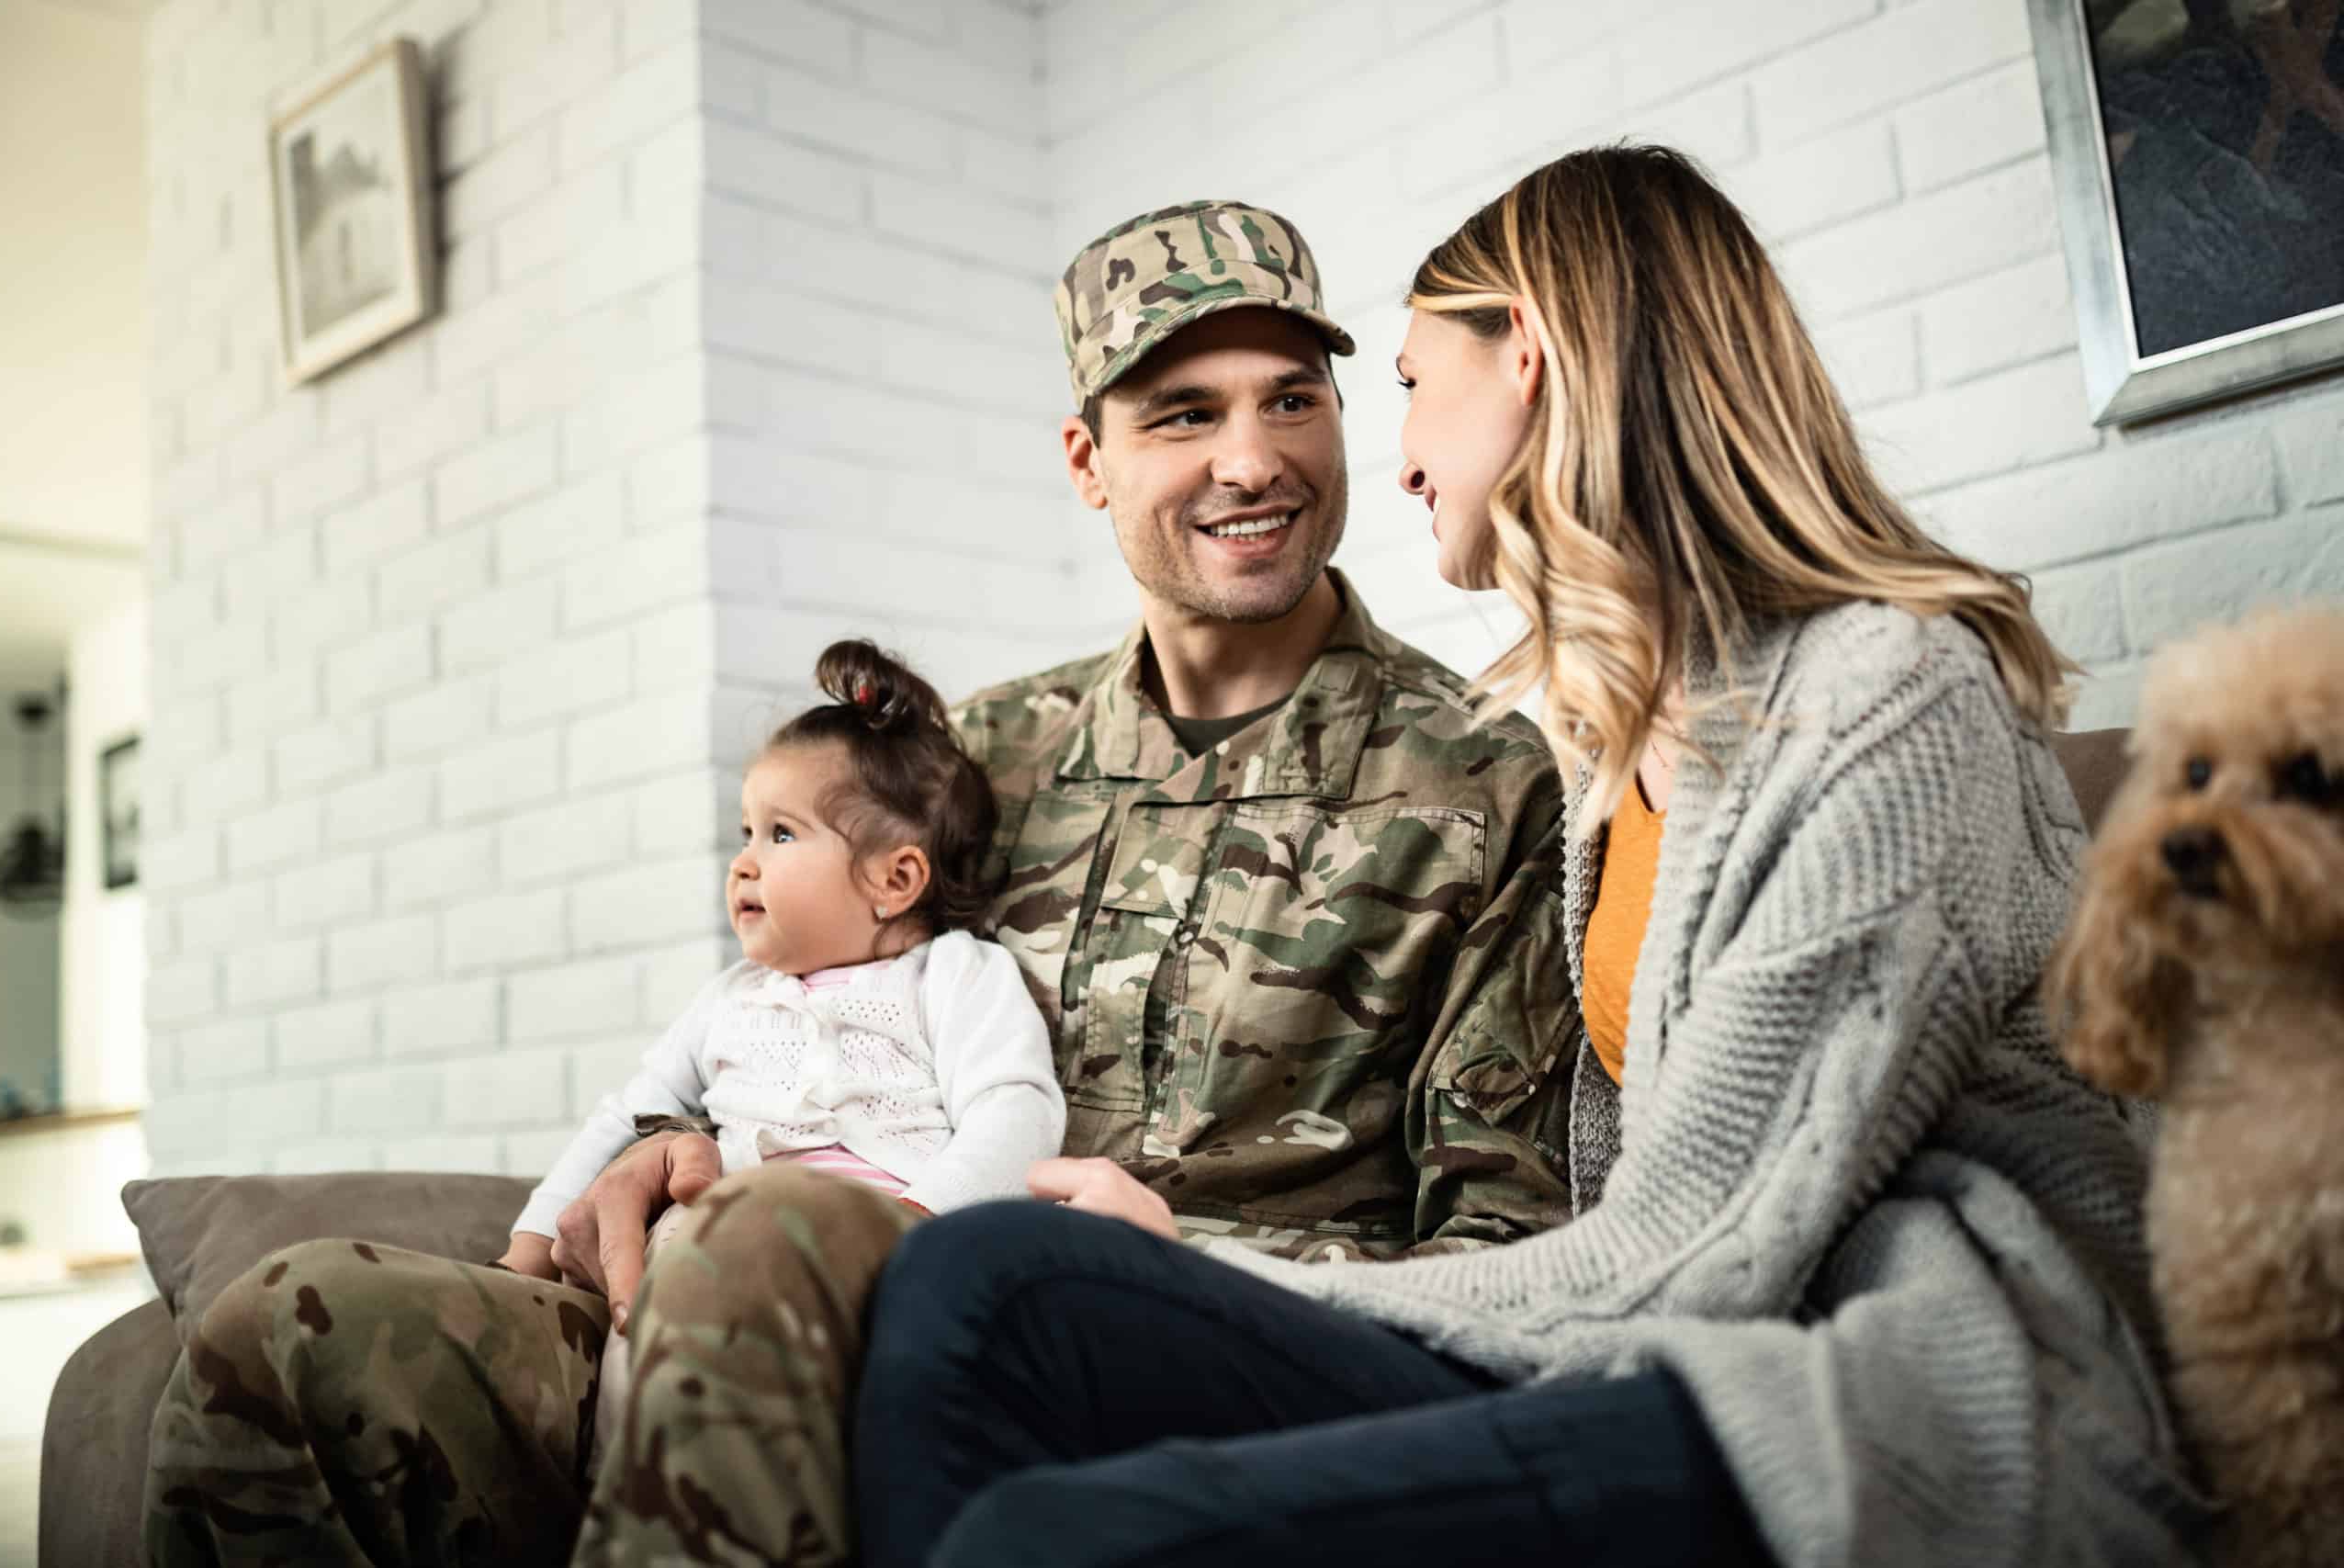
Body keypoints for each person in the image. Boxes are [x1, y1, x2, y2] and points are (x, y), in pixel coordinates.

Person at [142, 199, 1574, 1568]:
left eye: (1291, 397)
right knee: (294, 1324)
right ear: (1088, 460)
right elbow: (781, 1003)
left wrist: (1156, 1250)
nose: (1253, 459)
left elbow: (1507, 1261)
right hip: (768, 1291)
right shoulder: (976, 755)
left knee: (767, 1237)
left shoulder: (1483, 782)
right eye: (1184, 414)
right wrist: (659, 1137)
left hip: (1148, 1347)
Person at [845, 146, 2212, 1568]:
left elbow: (1703, 1243)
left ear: (1537, 364)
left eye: (1412, 386)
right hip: (1674, 1351)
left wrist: (1185, 1263)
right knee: (982, 1278)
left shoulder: (1885, 699)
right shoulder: (1625, 746)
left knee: (1044, 1530)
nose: (1404, 455)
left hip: (1910, 1398)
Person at [494, 638, 1064, 1469]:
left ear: (894, 880)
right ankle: (647, 1494)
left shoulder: (955, 973)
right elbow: (623, 1116)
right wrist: (529, 1246)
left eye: (783, 834)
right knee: (651, 1359)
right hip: (716, 1254)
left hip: (881, 1252)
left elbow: (1015, 1113)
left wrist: (916, 1230)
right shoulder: (727, 996)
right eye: (747, 830)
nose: (744, 860)